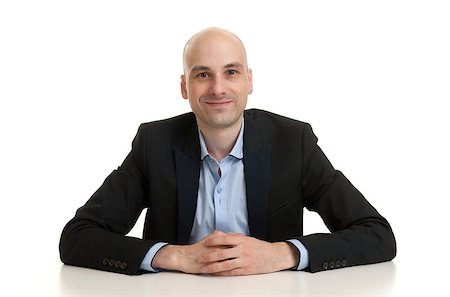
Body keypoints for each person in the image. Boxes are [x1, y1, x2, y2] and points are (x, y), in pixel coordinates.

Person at [59, 27, 396, 276]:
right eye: (203, 74)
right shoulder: (154, 143)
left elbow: (377, 234)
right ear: (184, 87)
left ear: (248, 81)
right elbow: (77, 238)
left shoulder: (294, 142)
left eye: (231, 72)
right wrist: (176, 256)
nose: (218, 88)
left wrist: (283, 254)